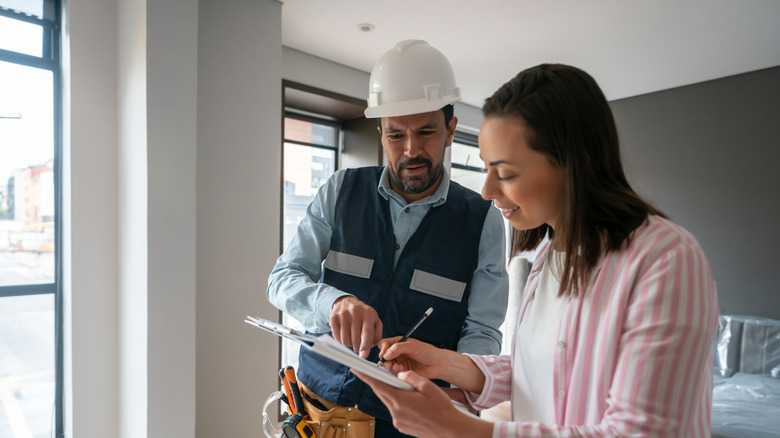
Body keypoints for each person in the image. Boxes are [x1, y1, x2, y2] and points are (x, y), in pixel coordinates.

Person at [354, 63, 720, 437]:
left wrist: (461, 430)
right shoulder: (550, 254)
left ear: (574, 162)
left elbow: (641, 432)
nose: (488, 191)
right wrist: (448, 365)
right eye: (486, 169)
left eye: (507, 173)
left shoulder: (666, 260)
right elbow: (546, 373)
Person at [266, 39, 509, 437]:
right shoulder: (339, 191)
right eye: (396, 135)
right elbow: (282, 278)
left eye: (426, 131)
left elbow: (482, 331)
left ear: (450, 130)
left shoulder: (482, 219)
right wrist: (334, 302)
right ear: (380, 133)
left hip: (412, 418)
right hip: (318, 409)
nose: (411, 149)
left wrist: (457, 397)